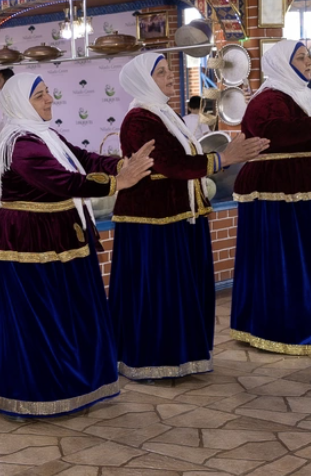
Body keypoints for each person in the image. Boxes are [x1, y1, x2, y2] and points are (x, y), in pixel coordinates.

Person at [0, 72, 153, 417]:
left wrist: (124, 163)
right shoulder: (21, 143)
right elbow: (63, 181)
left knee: (71, 312)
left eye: (48, 92)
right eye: (40, 96)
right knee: (44, 318)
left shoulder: (45, 135)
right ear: (20, 103)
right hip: (30, 241)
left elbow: (83, 159)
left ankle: (79, 383)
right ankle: (44, 391)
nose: (49, 100)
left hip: (62, 231)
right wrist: (118, 182)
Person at [110, 53, 268, 381]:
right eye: (162, 72)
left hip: (177, 217)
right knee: (158, 293)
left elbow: (182, 161)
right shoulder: (140, 119)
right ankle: (154, 360)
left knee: (180, 292)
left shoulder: (162, 114)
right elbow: (169, 164)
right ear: (143, 80)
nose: (171, 77)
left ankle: (183, 357)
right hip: (151, 223)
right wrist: (224, 158)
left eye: (170, 70)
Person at [230, 40, 311, 355]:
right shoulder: (268, 99)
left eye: (307, 57)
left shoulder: (309, 95)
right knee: (294, 263)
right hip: (285, 196)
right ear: (281, 63)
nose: (307, 62)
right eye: (300, 57)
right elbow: (274, 132)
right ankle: (291, 326)